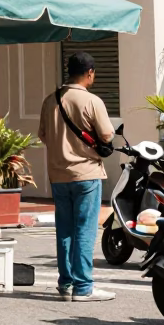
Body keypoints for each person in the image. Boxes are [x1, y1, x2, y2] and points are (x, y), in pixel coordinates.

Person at [38, 51, 116, 302]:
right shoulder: (91, 101)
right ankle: (83, 287)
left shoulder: (51, 100)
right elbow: (107, 135)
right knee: (85, 229)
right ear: (90, 72)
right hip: (86, 173)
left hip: (58, 175)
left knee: (65, 230)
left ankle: (66, 282)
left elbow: (42, 135)